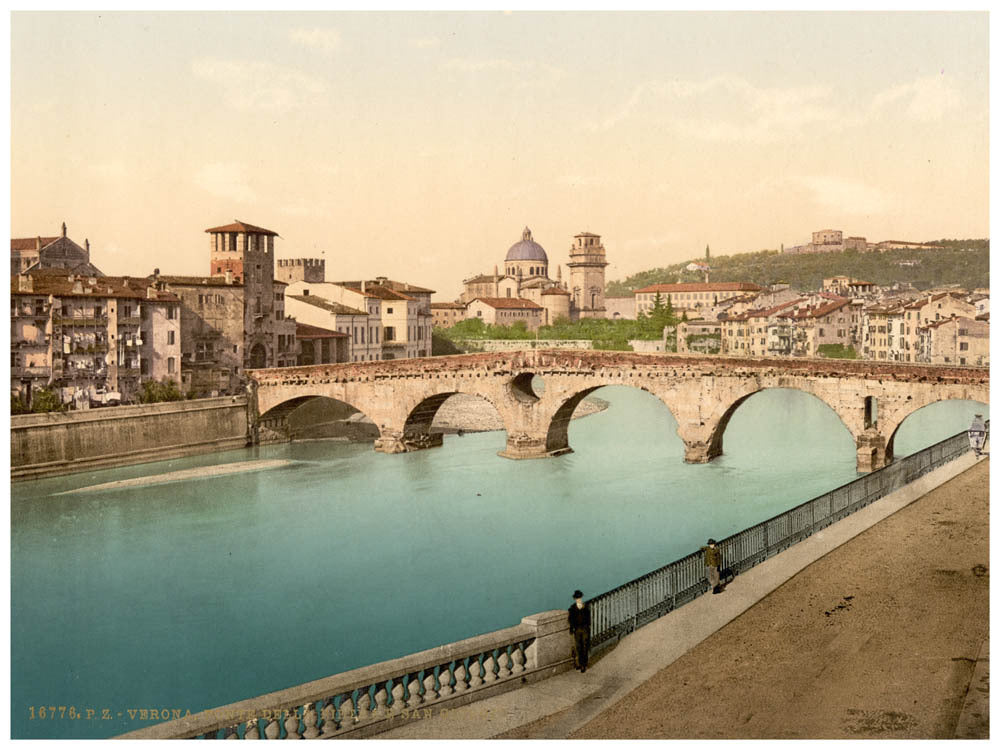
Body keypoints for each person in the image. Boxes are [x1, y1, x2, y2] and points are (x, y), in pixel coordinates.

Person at [567, 590, 590, 673]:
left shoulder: (585, 607)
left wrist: (587, 626)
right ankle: (580, 664)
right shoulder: (572, 608)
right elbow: (571, 620)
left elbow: (588, 618)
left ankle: (584, 664)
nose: (579, 599)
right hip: (577, 629)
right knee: (579, 647)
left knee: (585, 646)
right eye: (577, 598)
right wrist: (571, 628)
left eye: (579, 598)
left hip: (584, 629)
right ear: (575, 599)